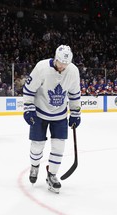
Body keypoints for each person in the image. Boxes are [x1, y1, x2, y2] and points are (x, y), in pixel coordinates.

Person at [23, 45, 81, 193]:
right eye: (60, 62)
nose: (62, 66)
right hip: (39, 113)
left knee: (59, 146)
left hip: (60, 114)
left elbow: (74, 94)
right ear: (55, 58)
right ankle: (34, 166)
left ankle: (52, 175)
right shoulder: (41, 67)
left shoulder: (73, 71)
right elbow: (29, 90)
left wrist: (75, 112)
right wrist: (28, 109)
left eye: (65, 64)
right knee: (37, 146)